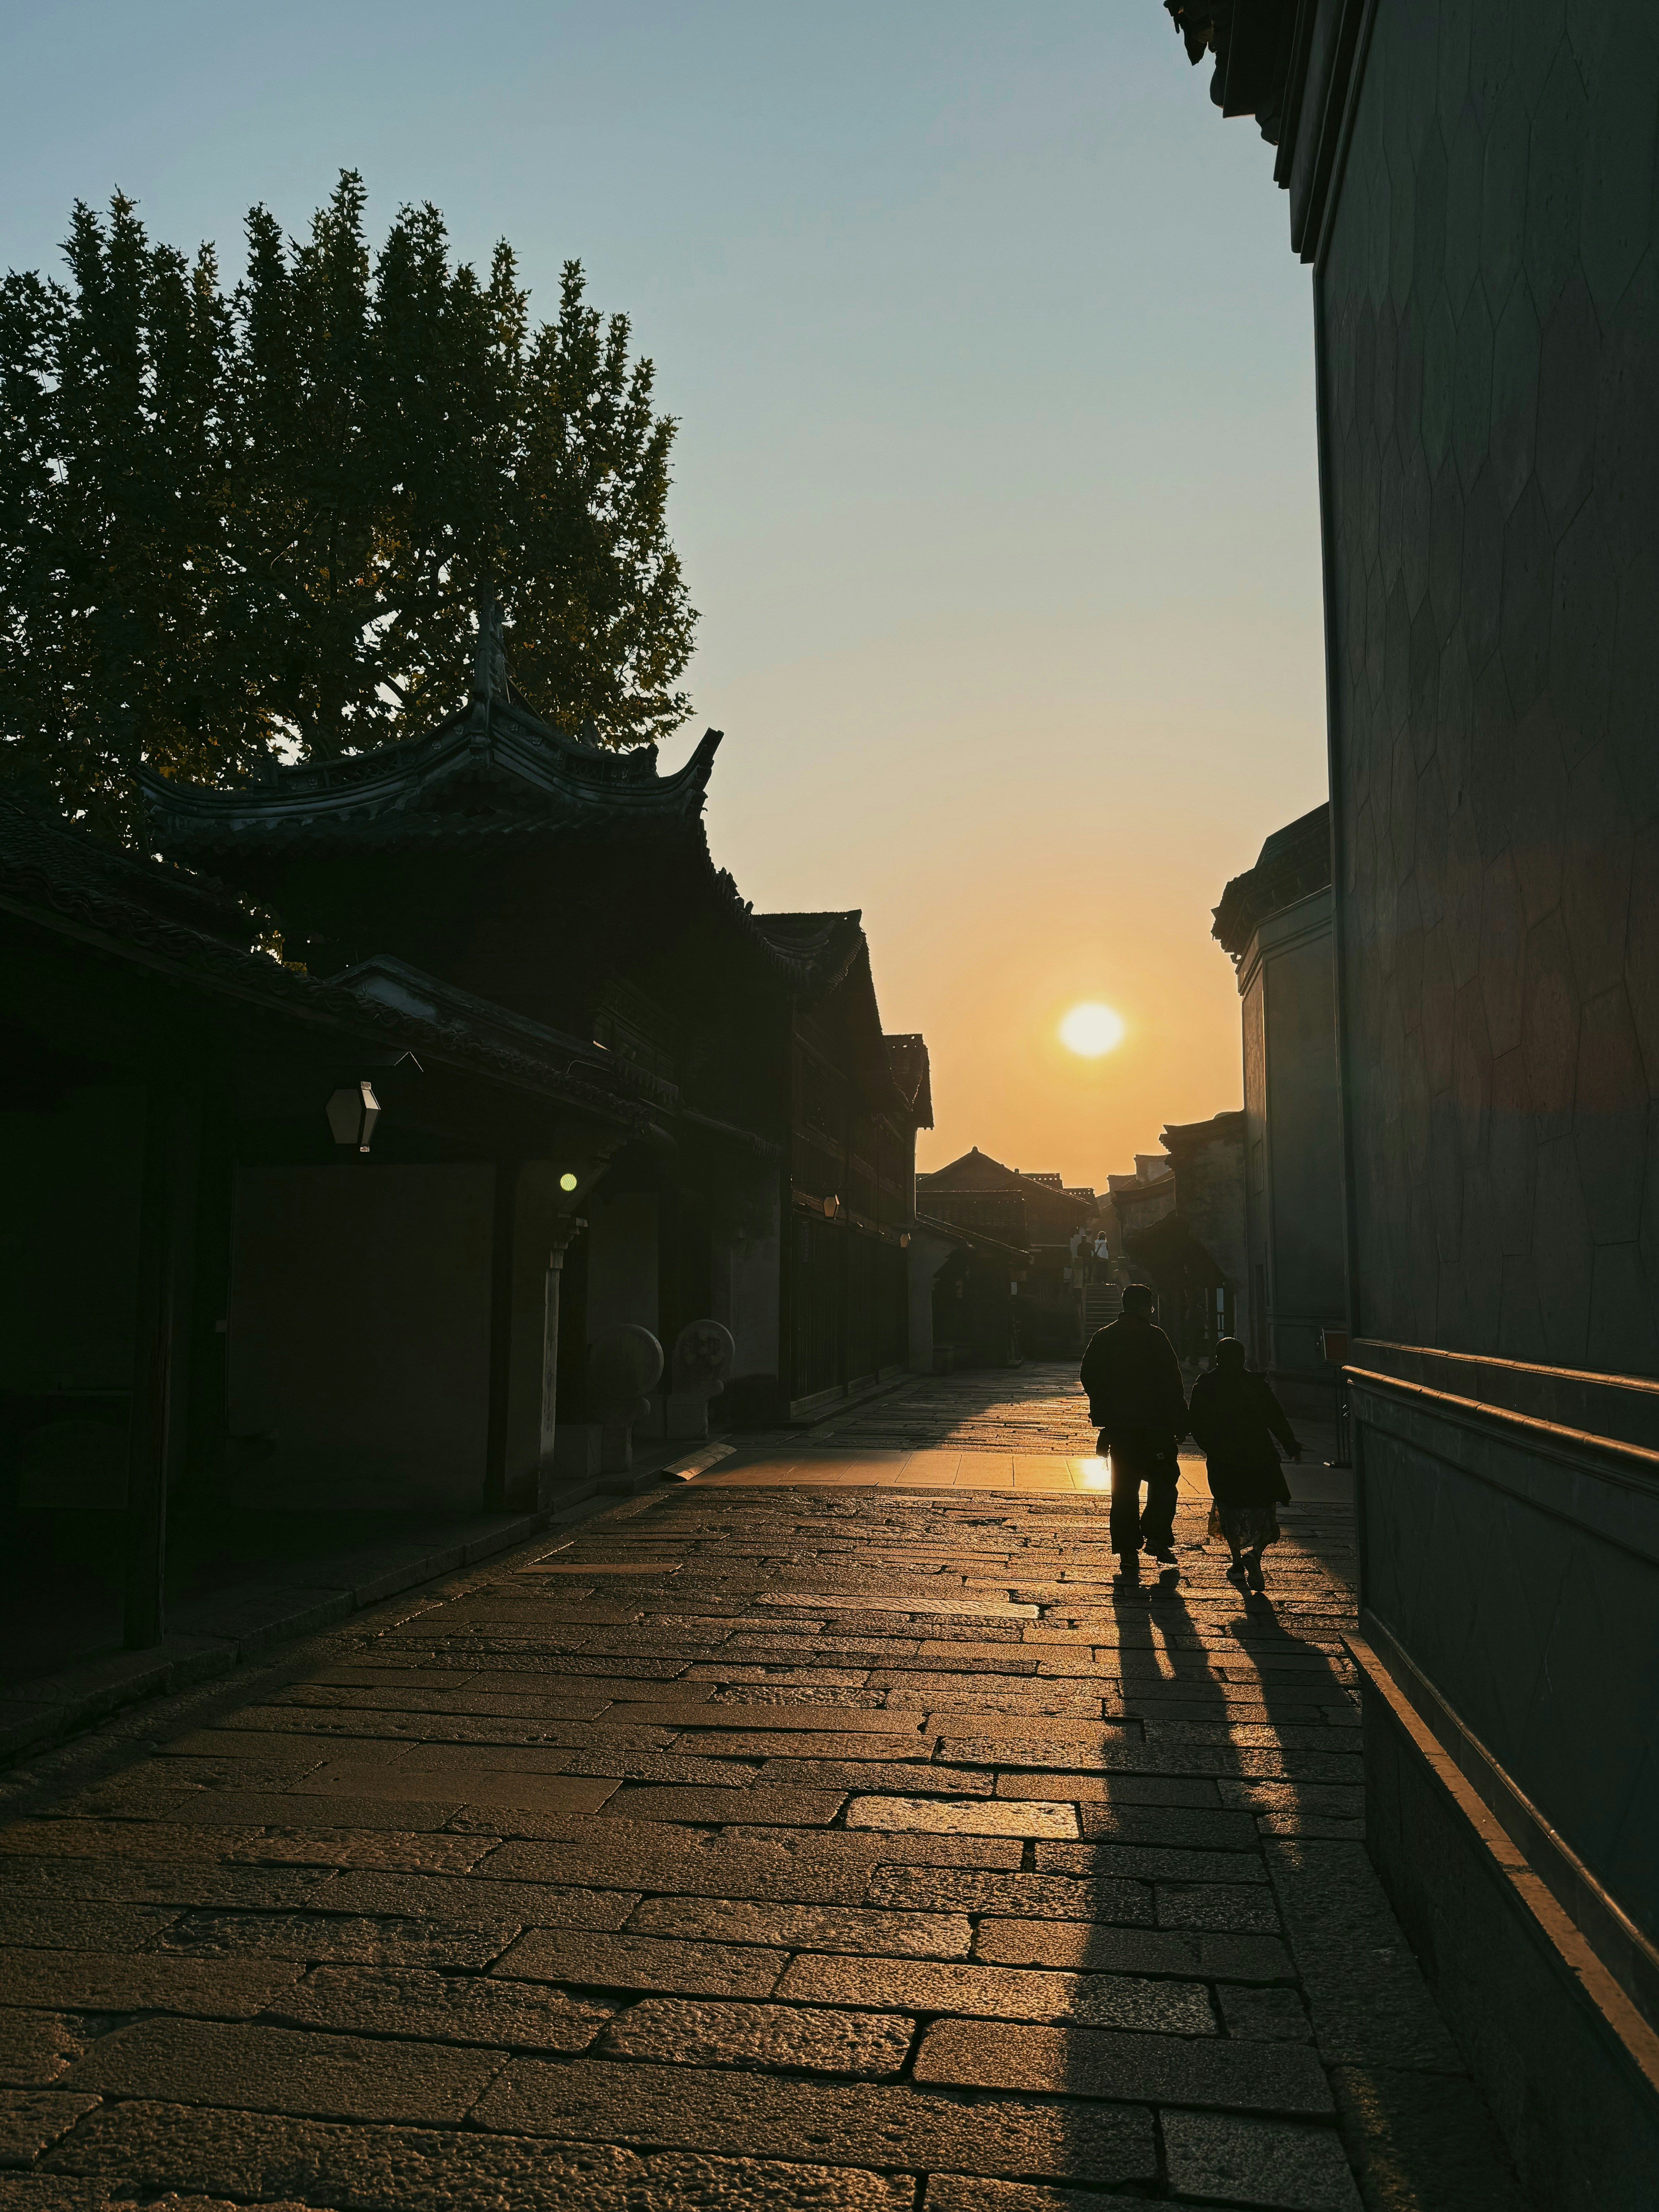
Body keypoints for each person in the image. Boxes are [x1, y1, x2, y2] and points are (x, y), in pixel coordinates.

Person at [1079, 1283, 1187, 1582]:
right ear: (1145, 1307)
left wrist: (1105, 1411)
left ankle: (1128, 1551)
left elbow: (1088, 1375)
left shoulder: (1104, 1337)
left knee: (1124, 1490)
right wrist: (1180, 1422)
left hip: (1121, 1429)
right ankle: (1155, 1535)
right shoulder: (1155, 1337)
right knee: (1165, 1481)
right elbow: (1172, 1382)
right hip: (1155, 1427)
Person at [1187, 1336, 1301, 1594]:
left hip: (1225, 1459)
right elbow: (1276, 1417)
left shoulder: (1206, 1385)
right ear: (1243, 1358)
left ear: (1217, 1358)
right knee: (1266, 1508)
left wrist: (1212, 1448)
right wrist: (1291, 1445)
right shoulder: (1255, 1384)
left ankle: (1237, 1562)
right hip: (1259, 1456)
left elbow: (1195, 1422)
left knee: (1230, 1508)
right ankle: (1255, 1555)